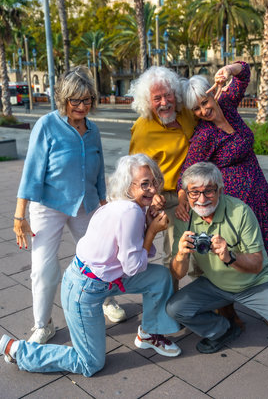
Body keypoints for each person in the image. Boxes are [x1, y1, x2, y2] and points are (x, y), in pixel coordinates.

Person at [1, 154, 181, 376]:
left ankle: (149, 333)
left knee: (160, 277)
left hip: (103, 279)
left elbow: (130, 255)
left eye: (155, 182)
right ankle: (20, 351)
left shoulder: (128, 206)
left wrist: (147, 221)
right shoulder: (130, 212)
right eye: (145, 184)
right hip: (84, 290)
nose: (153, 190)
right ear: (128, 185)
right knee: (90, 363)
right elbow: (134, 266)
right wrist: (152, 230)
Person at [13, 66, 125, 344]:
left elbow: (99, 172)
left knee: (102, 257)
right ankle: (43, 324)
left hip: (86, 205)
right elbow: (31, 171)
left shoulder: (93, 129)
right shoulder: (47, 125)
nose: (82, 106)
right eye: (75, 100)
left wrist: (103, 204)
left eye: (87, 100)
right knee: (42, 267)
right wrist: (19, 215)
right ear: (64, 99)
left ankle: (105, 299)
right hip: (48, 205)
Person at [167, 162, 268, 354]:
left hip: (256, 283)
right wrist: (180, 255)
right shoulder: (184, 217)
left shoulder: (240, 211)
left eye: (209, 191)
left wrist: (229, 256)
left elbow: (256, 264)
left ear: (220, 190)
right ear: (186, 194)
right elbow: (177, 274)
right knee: (175, 309)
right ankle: (224, 329)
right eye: (194, 192)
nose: (201, 199)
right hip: (215, 284)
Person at [176, 61, 268, 274]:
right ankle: (229, 302)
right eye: (196, 108)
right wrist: (183, 197)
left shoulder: (228, 105)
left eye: (205, 102)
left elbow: (245, 74)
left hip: (259, 190)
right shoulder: (204, 135)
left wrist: (228, 70)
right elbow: (188, 172)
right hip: (237, 199)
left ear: (213, 94)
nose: (204, 110)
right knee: (244, 247)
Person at [129, 66, 197, 269]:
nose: (164, 103)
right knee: (175, 253)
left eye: (168, 95)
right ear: (148, 102)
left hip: (198, 190)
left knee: (204, 251)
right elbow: (137, 171)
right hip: (168, 196)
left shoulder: (187, 113)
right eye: (157, 98)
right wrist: (153, 195)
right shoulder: (143, 128)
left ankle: (207, 297)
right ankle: (172, 297)